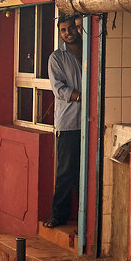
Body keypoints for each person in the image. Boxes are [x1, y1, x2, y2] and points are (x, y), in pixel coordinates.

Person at [43, 16, 83, 228]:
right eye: (63, 30)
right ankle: (58, 215)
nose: (68, 33)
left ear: (78, 29)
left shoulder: (89, 50)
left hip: (90, 122)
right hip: (68, 123)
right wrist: (83, 97)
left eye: (70, 29)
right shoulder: (56, 58)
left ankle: (85, 217)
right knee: (65, 171)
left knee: (84, 172)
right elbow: (59, 89)